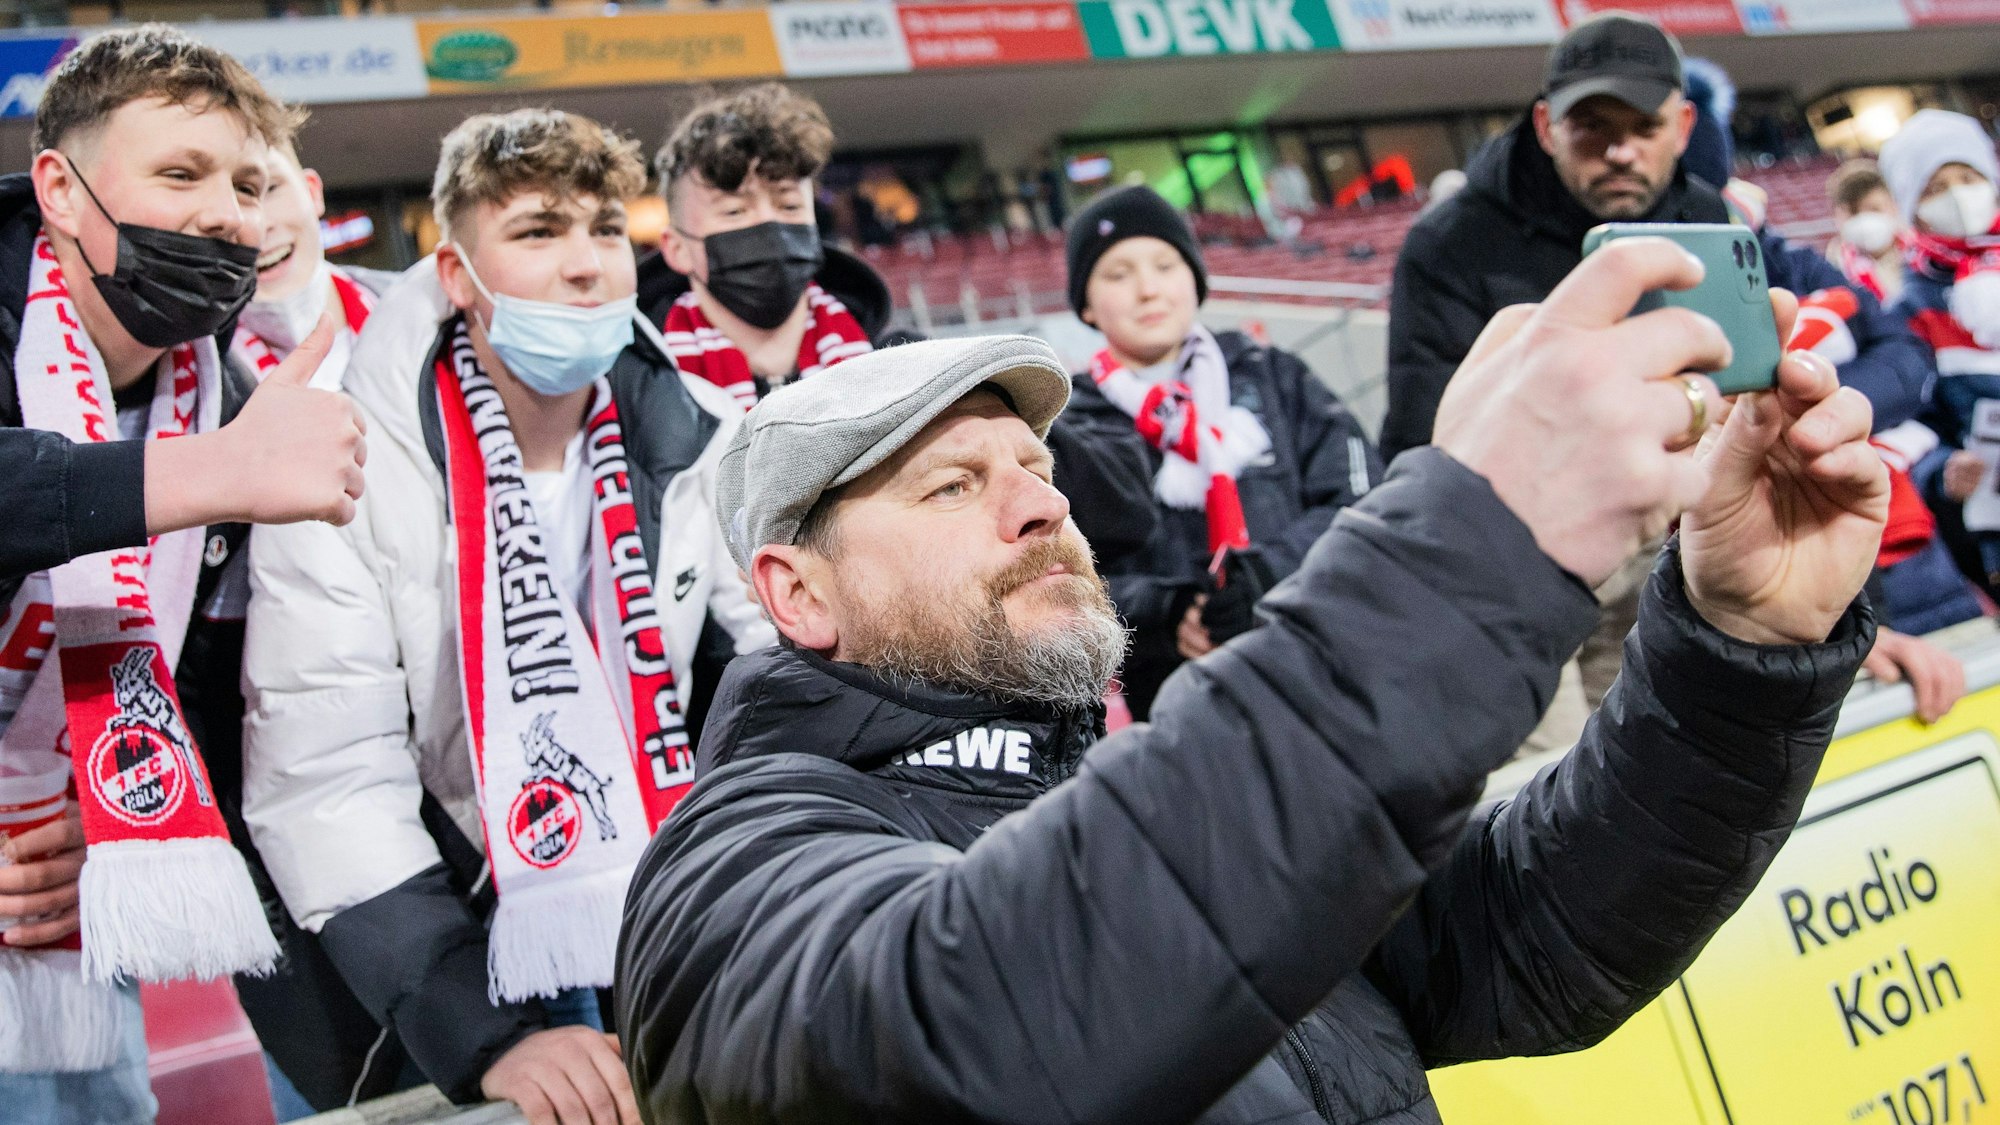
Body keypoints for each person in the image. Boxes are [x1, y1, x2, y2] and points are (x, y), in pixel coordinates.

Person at [616, 238, 1887, 1124]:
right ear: (795, 595)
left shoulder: (1132, 787)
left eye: (1036, 470)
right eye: (954, 484)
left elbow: (1526, 938)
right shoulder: (736, 855)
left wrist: (1736, 650)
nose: (1040, 510)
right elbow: (963, 1043)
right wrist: (1473, 534)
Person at [241, 108, 770, 1124]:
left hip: (673, 893)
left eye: (603, 230)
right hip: (448, 919)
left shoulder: (702, 433)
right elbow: (325, 775)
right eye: (536, 233)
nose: (585, 266)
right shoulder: (345, 464)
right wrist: (480, 1031)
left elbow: (778, 668)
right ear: (454, 278)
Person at [0, 24, 368, 1124]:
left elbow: (210, 682)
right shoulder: (225, 447)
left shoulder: (231, 399)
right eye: (181, 173)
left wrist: (109, 809)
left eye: (250, 184)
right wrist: (202, 474)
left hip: (60, 929)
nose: (228, 214)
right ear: (61, 190)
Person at [1059, 185, 1381, 719]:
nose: (1147, 290)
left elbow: (1360, 497)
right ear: (1087, 305)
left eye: (1165, 265)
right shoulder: (1070, 422)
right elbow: (1064, 570)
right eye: (1117, 274)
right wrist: (1169, 613)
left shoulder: (1274, 375)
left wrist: (1268, 574)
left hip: (1324, 663)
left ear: (1194, 279)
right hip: (1177, 705)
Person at [1383, 12, 1721, 461]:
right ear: (1546, 127)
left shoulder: (1706, 213)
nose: (1621, 153)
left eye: (1645, 127)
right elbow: (1428, 446)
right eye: (1592, 125)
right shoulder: (1447, 244)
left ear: (1682, 128)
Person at [644, 84, 893, 410]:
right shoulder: (634, 397)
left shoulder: (899, 370)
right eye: (734, 211)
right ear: (676, 248)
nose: (768, 224)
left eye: (789, 206)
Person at [232, 138, 399, 388]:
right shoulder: (192, 375)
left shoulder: (422, 317)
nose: (258, 227)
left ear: (312, 192)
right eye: (233, 203)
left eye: (270, 189)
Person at [1827, 160, 1907, 304]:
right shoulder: (1832, 271)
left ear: (1894, 207)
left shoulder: (1924, 262)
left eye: (1874, 209)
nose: (1864, 219)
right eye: (1853, 213)